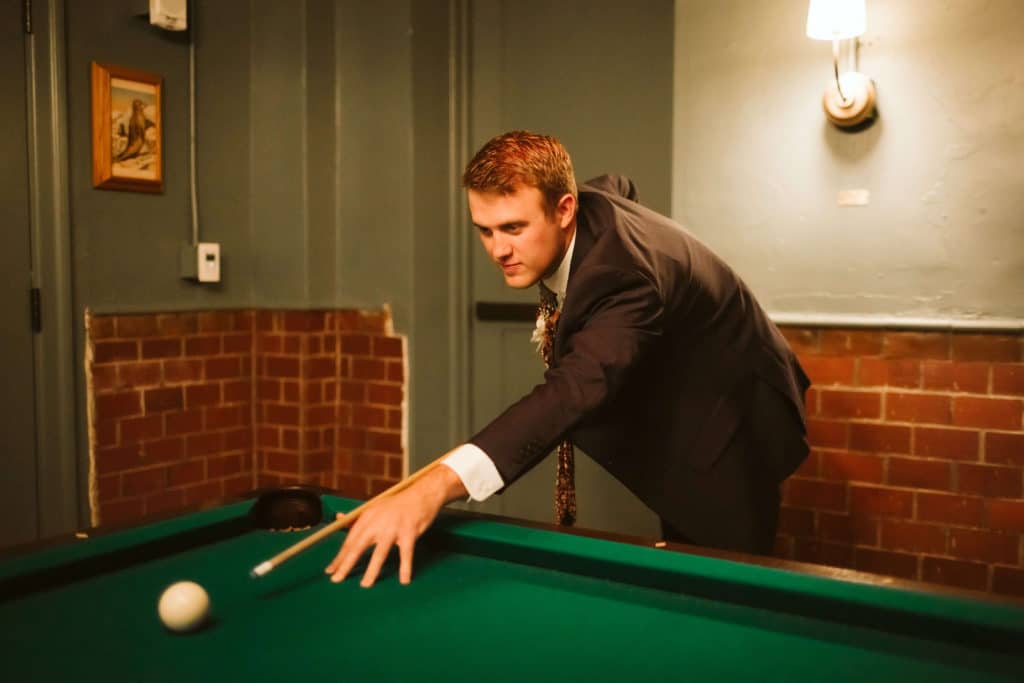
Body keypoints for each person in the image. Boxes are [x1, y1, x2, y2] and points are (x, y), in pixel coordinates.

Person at [325, 130, 810, 587]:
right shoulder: (594, 204)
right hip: (690, 402)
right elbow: (621, 185)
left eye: (513, 228)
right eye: (485, 230)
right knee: (683, 550)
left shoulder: (626, 280)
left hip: (735, 420)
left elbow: (571, 392)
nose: (498, 249)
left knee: (723, 587)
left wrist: (429, 490)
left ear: (564, 209)